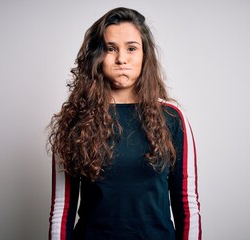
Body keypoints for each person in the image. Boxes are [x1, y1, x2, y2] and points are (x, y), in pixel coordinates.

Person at [47, 7, 201, 240]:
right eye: (111, 49)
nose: (121, 58)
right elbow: (62, 208)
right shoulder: (75, 121)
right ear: (97, 56)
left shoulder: (172, 118)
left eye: (131, 48)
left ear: (144, 55)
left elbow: (187, 204)